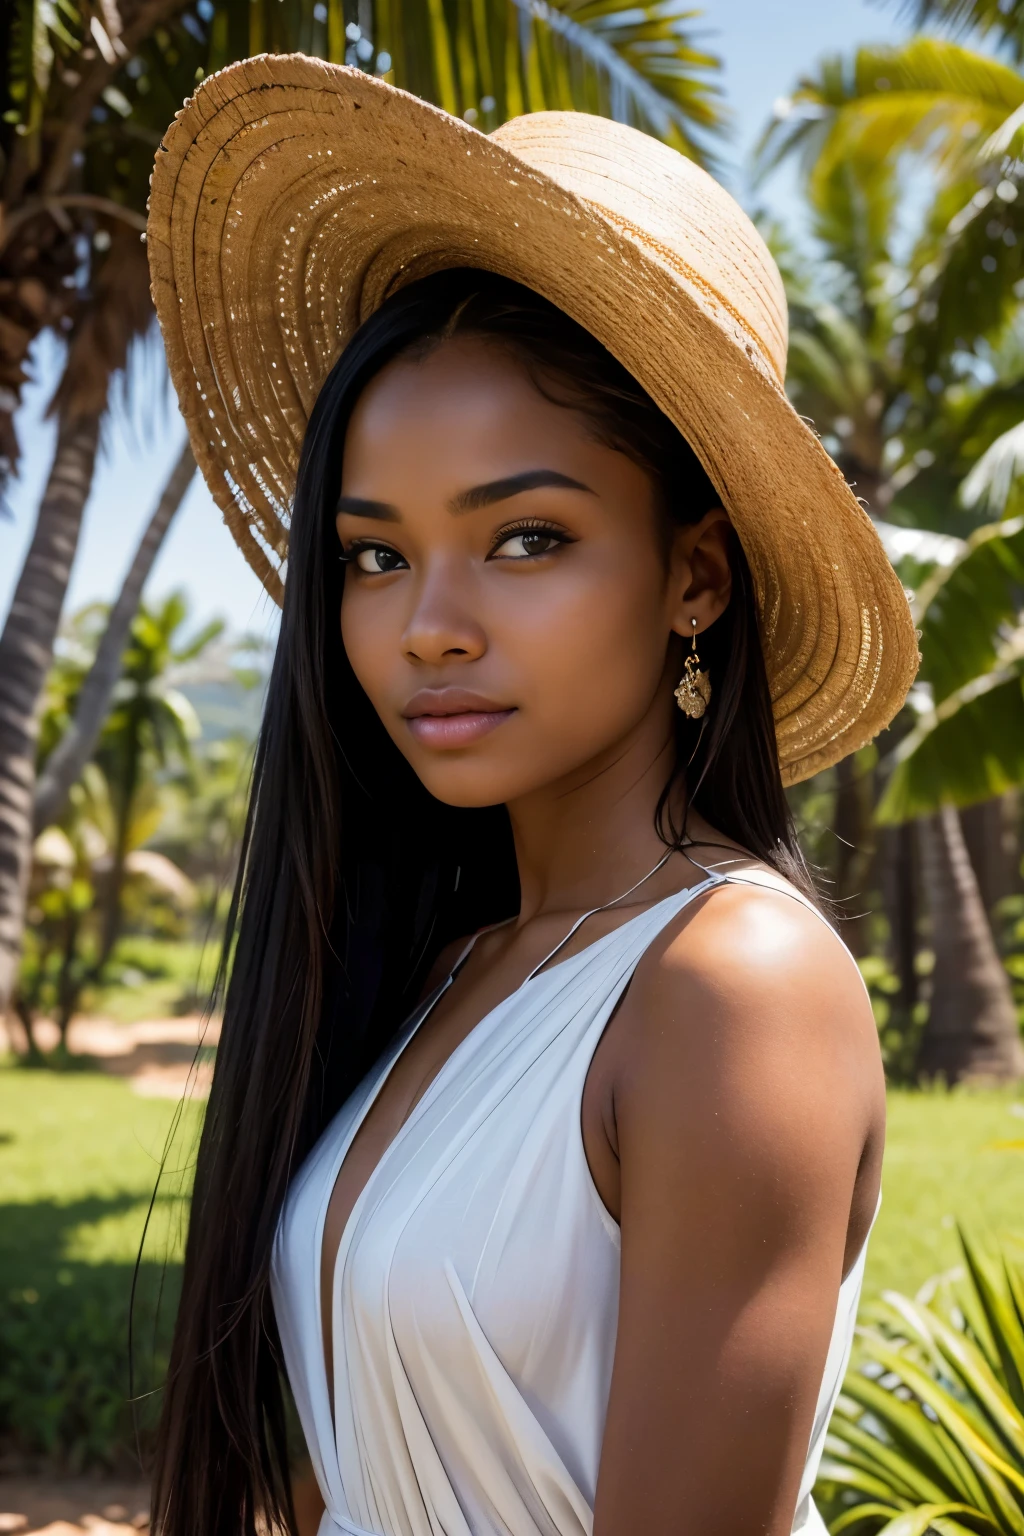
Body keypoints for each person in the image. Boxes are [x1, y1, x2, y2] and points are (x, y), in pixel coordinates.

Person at [144, 55, 918, 1536]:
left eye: (524, 538)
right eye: (375, 554)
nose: (427, 622)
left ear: (695, 574)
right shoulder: (453, 966)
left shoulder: (729, 982)